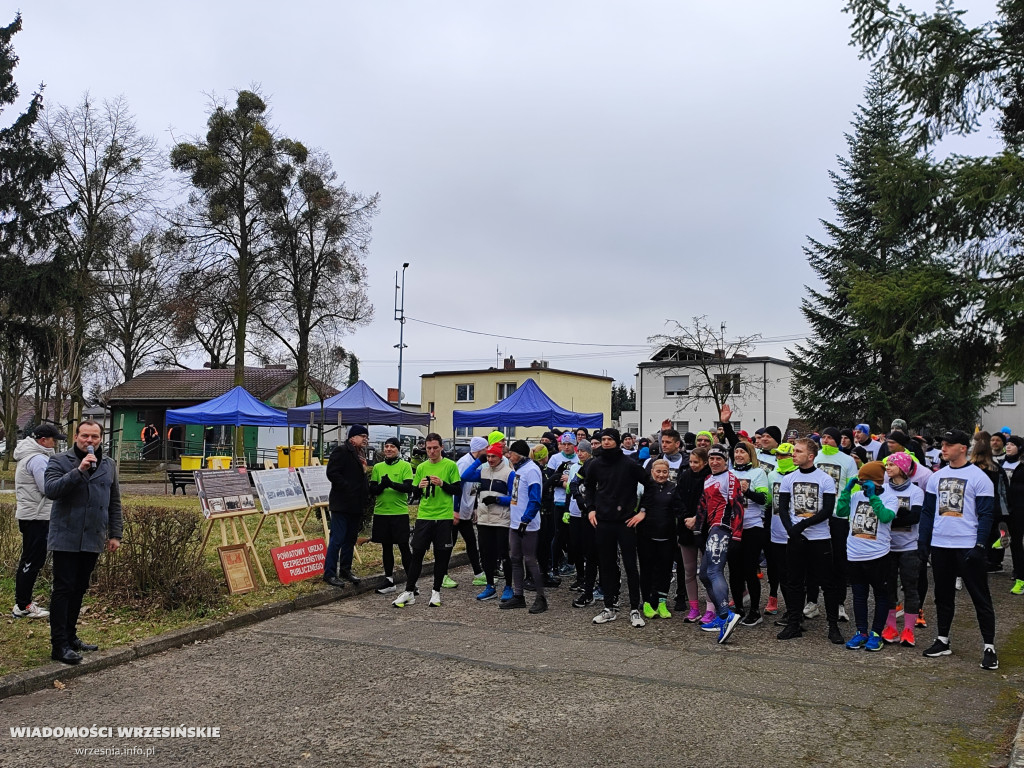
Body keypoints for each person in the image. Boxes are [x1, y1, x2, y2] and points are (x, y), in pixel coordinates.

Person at [919, 429, 998, 670]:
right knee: (943, 595)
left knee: (980, 597)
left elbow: (986, 515)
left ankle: (989, 647)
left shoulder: (979, 477)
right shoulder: (936, 477)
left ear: (963, 448)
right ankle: (943, 639)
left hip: (967, 546)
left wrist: (980, 545)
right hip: (941, 545)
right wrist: (924, 542)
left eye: (948, 444)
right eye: (942, 444)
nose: (943, 448)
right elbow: (928, 512)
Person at [44, 420, 122, 665]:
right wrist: (78, 471)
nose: (90, 441)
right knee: (63, 589)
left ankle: (71, 635)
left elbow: (114, 501)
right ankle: (59, 645)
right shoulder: (59, 461)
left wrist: (115, 533)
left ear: (101, 439)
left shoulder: (108, 465)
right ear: (76, 436)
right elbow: (51, 490)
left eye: (95, 437)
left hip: (92, 536)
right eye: (85, 436)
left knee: (79, 588)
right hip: (66, 536)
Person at [776, 438, 843, 644]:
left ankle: (833, 626)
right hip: (796, 539)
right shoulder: (789, 478)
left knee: (827, 583)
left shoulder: (825, 479)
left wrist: (803, 525)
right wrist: (792, 531)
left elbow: (827, 510)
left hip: (819, 539)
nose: (793, 454)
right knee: (794, 582)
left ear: (810, 456)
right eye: (794, 451)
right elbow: (784, 508)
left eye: (798, 451)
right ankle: (794, 623)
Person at [585, 428, 650, 627]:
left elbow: (650, 484)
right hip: (603, 521)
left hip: (626, 522)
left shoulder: (629, 464)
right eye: (603, 439)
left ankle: (634, 609)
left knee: (630, 566)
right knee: (607, 565)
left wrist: (643, 511)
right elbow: (588, 486)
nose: (605, 443)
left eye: (609, 439)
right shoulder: (595, 464)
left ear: (617, 441)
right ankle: (609, 607)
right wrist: (591, 508)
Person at [393, 433, 462, 609]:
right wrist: (418, 489)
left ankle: (436, 591)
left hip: (443, 517)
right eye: (428, 448)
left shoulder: (450, 465)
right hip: (424, 516)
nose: (431, 451)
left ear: (441, 448)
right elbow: (415, 495)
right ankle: (409, 591)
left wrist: (442, 484)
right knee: (417, 554)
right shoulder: (422, 467)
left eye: (434, 448)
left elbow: (457, 490)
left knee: (441, 555)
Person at [835, 461, 897, 651]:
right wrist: (846, 491)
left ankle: (876, 633)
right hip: (855, 554)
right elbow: (841, 511)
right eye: (860, 481)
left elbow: (886, 517)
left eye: (865, 481)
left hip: (878, 555)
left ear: (876, 481)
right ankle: (861, 631)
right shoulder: (855, 496)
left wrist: (873, 497)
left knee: (880, 594)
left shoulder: (890, 497)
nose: (862, 485)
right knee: (859, 596)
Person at [686, 444, 744, 644]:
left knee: (714, 572)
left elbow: (738, 506)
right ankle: (721, 617)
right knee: (704, 574)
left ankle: (727, 615)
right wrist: (697, 531)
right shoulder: (708, 479)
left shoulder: (731, 478)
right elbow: (702, 506)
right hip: (711, 530)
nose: (714, 462)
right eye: (711, 459)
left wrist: (736, 535)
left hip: (723, 527)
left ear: (726, 460)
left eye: (719, 459)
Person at [12, 424, 65, 619]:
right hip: (37, 516)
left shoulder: (29, 456)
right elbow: (48, 487)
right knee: (32, 561)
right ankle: (23, 605)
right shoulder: (38, 459)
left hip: (32, 515)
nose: (56, 443)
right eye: (54, 439)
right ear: (43, 440)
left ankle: (22, 602)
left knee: (30, 559)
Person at [807, 427, 858, 622]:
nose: (826, 441)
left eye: (830, 438)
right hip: (817, 515)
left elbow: (853, 488)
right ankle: (811, 601)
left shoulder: (847, 461)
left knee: (838, 560)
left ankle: (839, 604)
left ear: (838, 441)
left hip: (838, 516)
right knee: (812, 560)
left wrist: (849, 514)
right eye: (823, 437)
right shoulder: (816, 457)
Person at [881, 452, 925, 646]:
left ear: (903, 468)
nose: (887, 468)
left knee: (910, 587)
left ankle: (908, 630)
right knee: (888, 587)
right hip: (887, 546)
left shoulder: (916, 492)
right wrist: (899, 515)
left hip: (909, 546)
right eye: (887, 465)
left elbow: (914, 518)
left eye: (891, 464)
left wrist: (890, 517)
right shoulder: (883, 489)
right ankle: (890, 627)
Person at [498, 440, 547, 614]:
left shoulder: (532, 470)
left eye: (511, 453)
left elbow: (535, 500)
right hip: (515, 523)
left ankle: (541, 598)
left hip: (528, 525)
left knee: (530, 560)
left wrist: (525, 520)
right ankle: (519, 596)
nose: (508, 456)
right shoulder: (518, 470)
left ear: (519, 455)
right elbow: (516, 497)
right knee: (516, 559)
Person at [462, 442, 513, 601]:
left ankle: (509, 586)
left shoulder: (509, 473)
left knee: (504, 554)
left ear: (500, 457)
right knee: (485, 554)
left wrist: (498, 500)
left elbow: (515, 499)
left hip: (501, 520)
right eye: (488, 456)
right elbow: (464, 476)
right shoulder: (483, 470)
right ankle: (490, 586)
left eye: (493, 456)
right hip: (484, 520)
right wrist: (479, 460)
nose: (490, 459)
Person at [324, 425, 371, 589]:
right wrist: (348, 487)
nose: (365, 439)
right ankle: (329, 573)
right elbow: (332, 473)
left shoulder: (361, 455)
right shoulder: (342, 451)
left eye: (366, 436)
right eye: (361, 436)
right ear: (352, 438)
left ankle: (345, 569)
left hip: (356, 505)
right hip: (342, 503)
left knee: (350, 539)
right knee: (337, 539)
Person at [729, 441, 770, 627]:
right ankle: (738, 608)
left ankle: (755, 610)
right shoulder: (729, 473)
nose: (738, 455)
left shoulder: (758, 473)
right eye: (736, 452)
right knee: (734, 571)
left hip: (752, 527)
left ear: (750, 455)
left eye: (742, 452)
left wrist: (748, 491)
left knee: (749, 570)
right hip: (732, 527)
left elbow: (765, 499)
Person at [368, 437, 414, 594]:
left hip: (399, 513)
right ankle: (389, 580)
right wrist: (382, 485)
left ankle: (412, 582)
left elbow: (408, 487)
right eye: (386, 446)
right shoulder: (378, 467)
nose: (388, 449)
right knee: (386, 547)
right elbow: (373, 489)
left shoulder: (405, 466)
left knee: (403, 547)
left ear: (398, 449)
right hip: (381, 512)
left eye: (392, 447)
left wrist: (391, 484)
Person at [636, 459, 682, 620]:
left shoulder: (673, 488)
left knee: (665, 570)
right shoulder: (646, 488)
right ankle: (647, 602)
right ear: (652, 472)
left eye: (664, 472)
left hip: (667, 536)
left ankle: (662, 602)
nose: (661, 475)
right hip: (646, 536)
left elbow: (679, 511)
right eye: (658, 471)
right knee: (647, 569)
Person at [448, 436, 488, 590]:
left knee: (471, 542)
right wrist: (455, 510)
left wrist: (474, 508)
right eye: (485, 449)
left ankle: (478, 574)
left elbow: (474, 488)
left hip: (466, 510)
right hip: (456, 511)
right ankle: (443, 574)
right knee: (448, 544)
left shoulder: (476, 463)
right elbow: (458, 486)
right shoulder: (465, 463)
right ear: (479, 450)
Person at [676, 447, 711, 621]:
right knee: (689, 571)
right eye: (690, 461)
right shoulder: (685, 476)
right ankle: (694, 607)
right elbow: (678, 499)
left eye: (696, 462)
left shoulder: (710, 477)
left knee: (708, 571)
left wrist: (697, 519)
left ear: (705, 462)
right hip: (686, 527)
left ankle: (711, 608)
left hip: (704, 528)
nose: (692, 465)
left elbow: (709, 502)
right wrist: (685, 518)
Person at [765, 443, 797, 619]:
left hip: (795, 532)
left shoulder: (798, 475)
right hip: (776, 532)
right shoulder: (772, 474)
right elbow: (769, 502)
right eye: (778, 455)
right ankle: (790, 610)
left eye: (784, 456)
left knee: (796, 575)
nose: (780, 459)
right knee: (782, 574)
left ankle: (797, 609)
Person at [1004, 436, 1024, 595]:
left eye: (1012, 444)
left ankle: (1020, 576)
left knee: (1017, 542)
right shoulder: (1000, 464)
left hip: (1019, 509)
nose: (1008, 447)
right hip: (1004, 509)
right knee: (1012, 541)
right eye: (1007, 444)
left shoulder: (1021, 466)